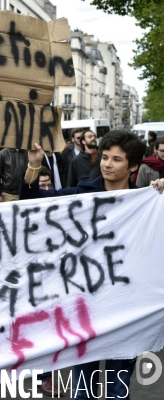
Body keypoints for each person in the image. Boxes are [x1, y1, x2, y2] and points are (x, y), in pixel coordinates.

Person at [20, 131, 164, 399]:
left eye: (117, 159)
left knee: (116, 389)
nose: (107, 164)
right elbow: (32, 200)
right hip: (85, 308)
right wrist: (34, 165)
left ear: (133, 166)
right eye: (105, 157)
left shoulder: (148, 200)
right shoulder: (83, 194)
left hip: (125, 310)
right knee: (82, 389)